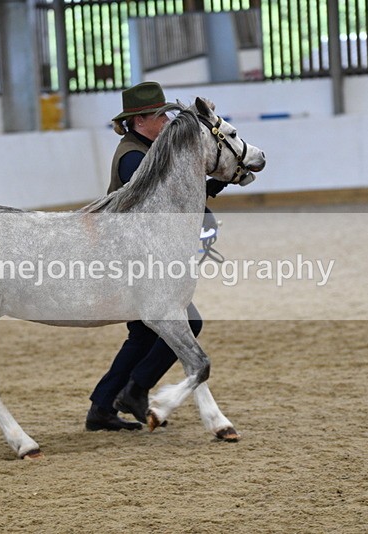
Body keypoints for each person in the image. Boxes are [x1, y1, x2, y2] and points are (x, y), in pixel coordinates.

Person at [85, 81, 227, 431]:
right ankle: (133, 392)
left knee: (145, 334)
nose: (166, 120)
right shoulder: (133, 156)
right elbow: (157, 207)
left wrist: (213, 183)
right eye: (160, 114)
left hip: (141, 259)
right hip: (129, 260)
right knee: (187, 324)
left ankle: (105, 405)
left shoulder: (149, 149)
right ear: (139, 120)